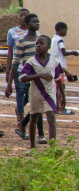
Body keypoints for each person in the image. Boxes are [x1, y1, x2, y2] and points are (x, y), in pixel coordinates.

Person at [20, 35, 65, 155]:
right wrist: (38, 75)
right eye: (36, 43)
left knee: (51, 118)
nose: (38, 45)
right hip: (35, 94)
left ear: (48, 47)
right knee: (34, 118)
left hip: (49, 95)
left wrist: (63, 95)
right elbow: (22, 78)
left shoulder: (54, 62)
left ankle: (53, 147)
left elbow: (58, 79)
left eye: (41, 43)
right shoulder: (31, 62)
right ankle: (33, 147)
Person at [4, 13, 46, 143]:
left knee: (38, 104)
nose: (37, 24)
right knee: (34, 103)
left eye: (38, 21)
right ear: (27, 25)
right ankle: (38, 133)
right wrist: (9, 81)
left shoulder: (41, 40)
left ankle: (27, 126)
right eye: (34, 22)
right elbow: (15, 61)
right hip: (26, 76)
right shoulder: (20, 41)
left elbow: (47, 57)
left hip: (40, 77)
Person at [50, 22, 79, 114]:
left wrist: (67, 72)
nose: (66, 32)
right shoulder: (60, 41)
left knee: (56, 88)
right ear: (62, 30)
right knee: (60, 87)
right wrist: (73, 52)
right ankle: (60, 108)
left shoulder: (53, 40)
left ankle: (56, 107)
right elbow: (64, 52)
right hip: (59, 67)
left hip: (54, 65)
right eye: (66, 30)